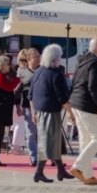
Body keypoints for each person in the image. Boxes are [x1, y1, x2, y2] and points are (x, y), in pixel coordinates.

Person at [68, 38, 97, 186]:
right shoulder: (96, 62)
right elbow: (93, 86)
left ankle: (87, 174)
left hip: (76, 102)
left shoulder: (81, 61)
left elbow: (73, 82)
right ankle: (78, 167)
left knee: (85, 140)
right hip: (87, 105)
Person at [30, 43, 73, 184]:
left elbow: (30, 94)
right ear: (55, 58)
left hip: (40, 110)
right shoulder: (56, 74)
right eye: (60, 56)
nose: (61, 59)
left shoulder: (38, 71)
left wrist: (33, 112)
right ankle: (38, 172)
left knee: (55, 141)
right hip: (50, 111)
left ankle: (60, 170)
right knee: (47, 142)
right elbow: (62, 98)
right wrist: (71, 113)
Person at [14, 48, 40, 166]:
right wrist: (17, 107)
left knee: (43, 134)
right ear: (29, 58)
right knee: (31, 133)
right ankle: (34, 158)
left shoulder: (43, 70)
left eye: (39, 56)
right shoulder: (22, 72)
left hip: (42, 105)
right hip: (27, 106)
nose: (39, 59)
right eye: (36, 57)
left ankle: (48, 157)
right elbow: (17, 91)